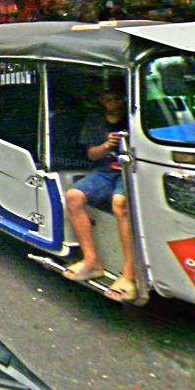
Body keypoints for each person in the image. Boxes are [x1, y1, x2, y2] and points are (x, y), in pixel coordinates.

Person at [64, 79, 136, 302]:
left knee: (120, 205)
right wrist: (107, 145)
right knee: (74, 197)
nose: (112, 103)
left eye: (116, 99)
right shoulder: (95, 122)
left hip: (131, 170)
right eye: (107, 99)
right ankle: (91, 261)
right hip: (106, 170)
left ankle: (130, 275)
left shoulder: (135, 118)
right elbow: (91, 154)